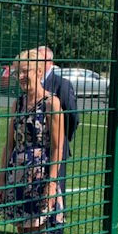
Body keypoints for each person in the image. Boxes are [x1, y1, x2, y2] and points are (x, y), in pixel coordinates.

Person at [0, 49, 65, 234]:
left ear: (39, 71)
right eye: (18, 72)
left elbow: (58, 147)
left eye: (26, 71)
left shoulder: (51, 103)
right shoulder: (17, 103)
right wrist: (2, 180)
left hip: (41, 175)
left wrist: (51, 183)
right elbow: (9, 144)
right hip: (18, 174)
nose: (22, 76)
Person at [39, 46, 78, 183]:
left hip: (56, 148)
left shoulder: (62, 84)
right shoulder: (32, 84)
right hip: (35, 150)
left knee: (55, 190)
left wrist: (63, 136)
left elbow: (72, 116)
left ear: (49, 61)